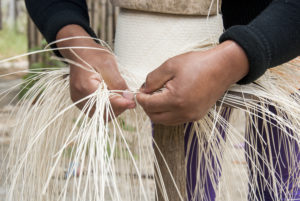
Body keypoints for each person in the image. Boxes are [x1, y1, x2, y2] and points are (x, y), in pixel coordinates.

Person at [25, 0, 300, 200]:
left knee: (281, 183)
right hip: (177, 43)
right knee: (188, 186)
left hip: (285, 38)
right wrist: (73, 38)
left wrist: (240, 55)